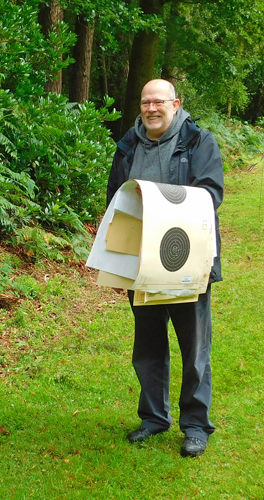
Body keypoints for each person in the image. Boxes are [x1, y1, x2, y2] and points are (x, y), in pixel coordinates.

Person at [107, 79, 224, 457]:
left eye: (159, 102)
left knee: (194, 348)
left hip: (187, 259)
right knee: (148, 344)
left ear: (176, 103)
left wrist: (161, 209)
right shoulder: (127, 145)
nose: (151, 108)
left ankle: (195, 426)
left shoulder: (198, 142)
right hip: (142, 263)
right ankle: (154, 418)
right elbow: (116, 202)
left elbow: (210, 193)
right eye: (145, 102)